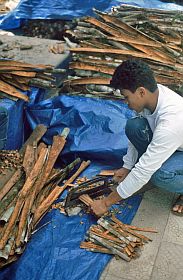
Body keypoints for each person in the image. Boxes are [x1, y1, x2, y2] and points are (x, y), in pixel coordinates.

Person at [90, 58, 183, 217]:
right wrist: (127, 166)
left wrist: (105, 203)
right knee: (134, 126)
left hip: (176, 144)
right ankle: (140, 176)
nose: (125, 103)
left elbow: (144, 170)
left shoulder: (171, 122)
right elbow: (136, 137)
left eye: (126, 97)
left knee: (158, 174)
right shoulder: (152, 95)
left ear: (141, 92)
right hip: (175, 144)